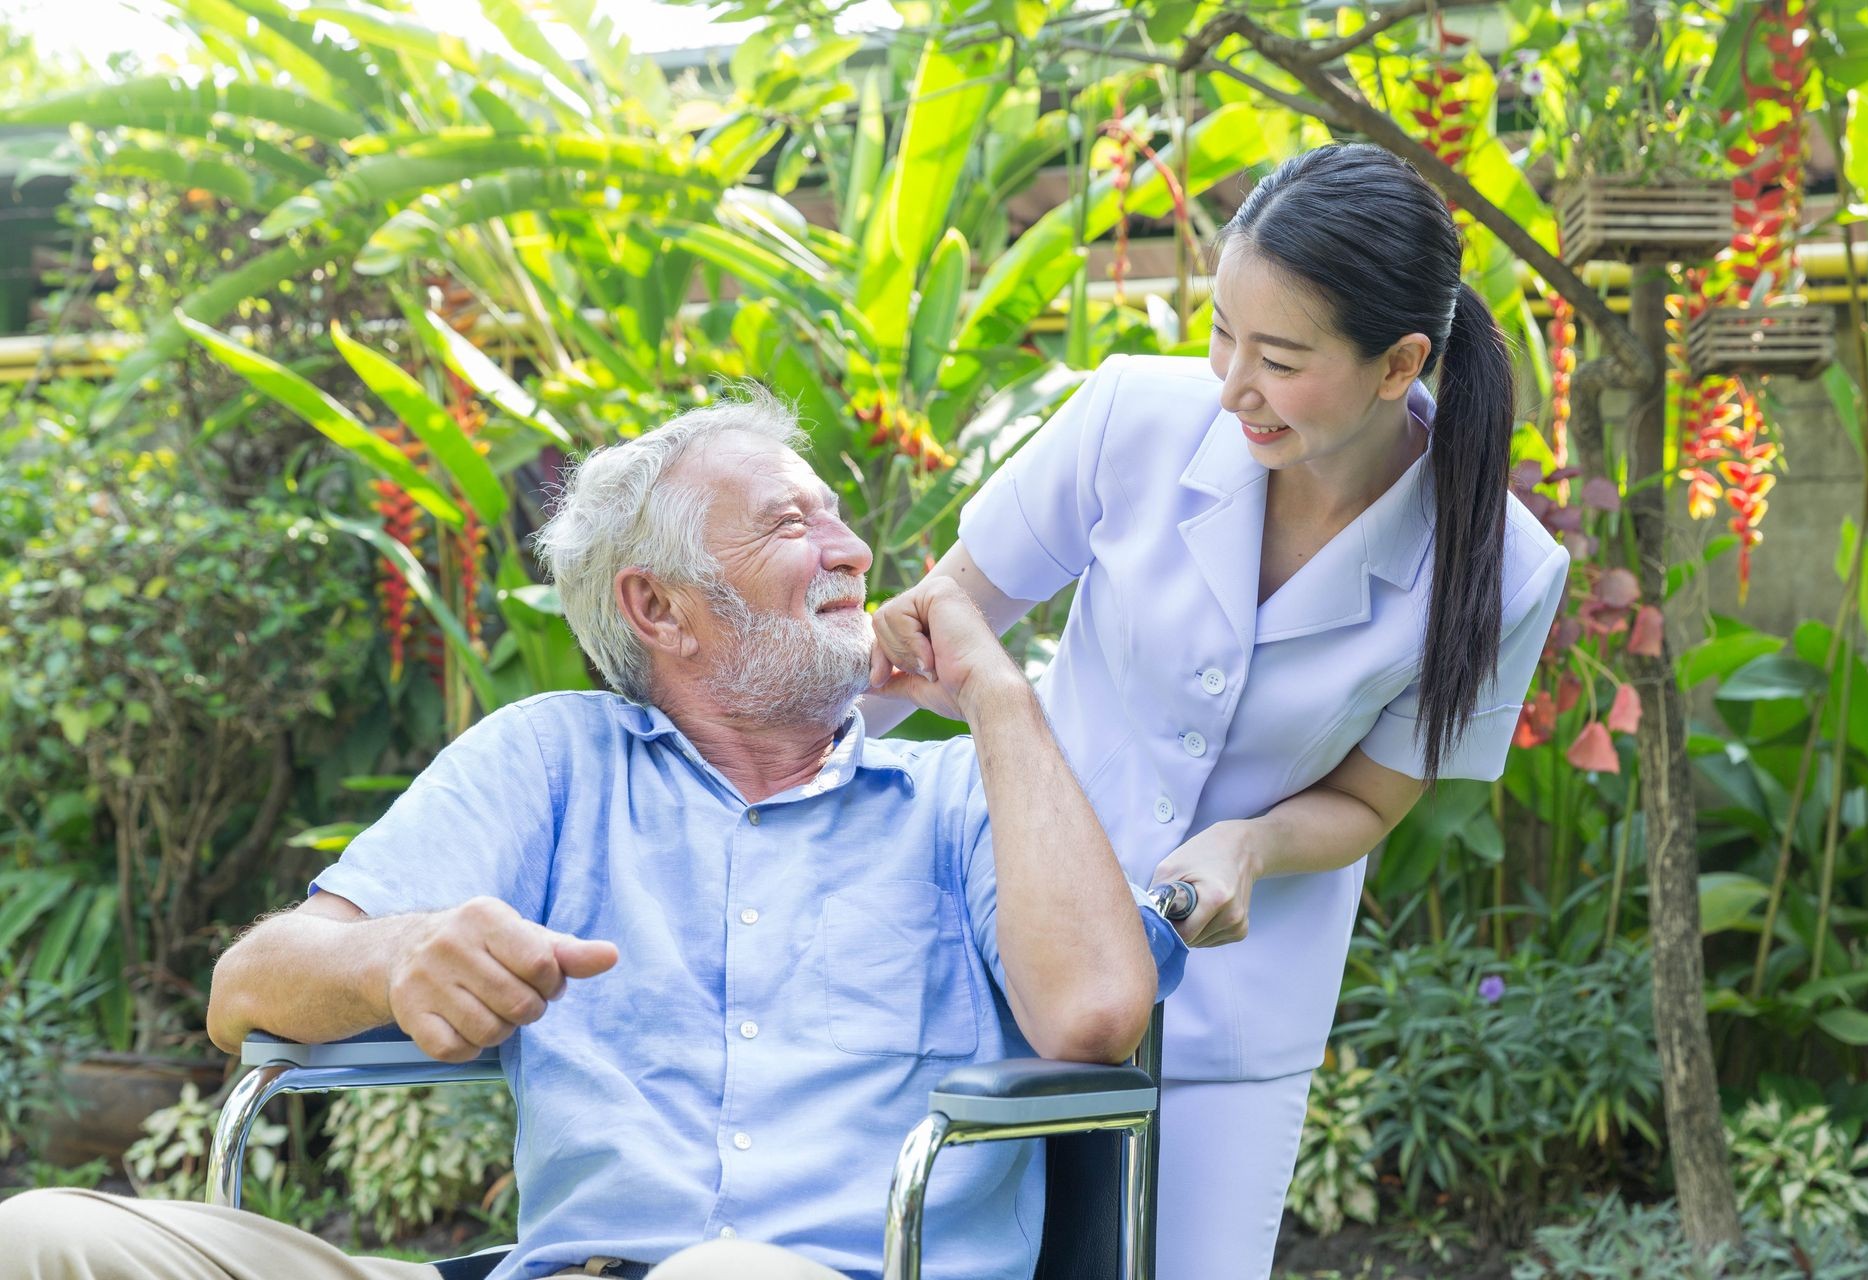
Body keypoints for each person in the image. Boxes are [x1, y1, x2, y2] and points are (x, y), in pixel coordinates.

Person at [1, 391, 1185, 1280]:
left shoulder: (961, 793)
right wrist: (394, 953)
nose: (854, 552)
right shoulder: (550, 761)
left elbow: (1094, 1014)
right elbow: (245, 989)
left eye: (840, 522)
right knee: (44, 1235)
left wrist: (998, 695)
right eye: (790, 524)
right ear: (655, 606)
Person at [866, 143, 1571, 1279]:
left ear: (1400, 363)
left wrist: (1251, 842)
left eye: (1280, 358)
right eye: (1221, 334)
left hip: (1233, 1018)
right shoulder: (1133, 416)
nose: (1233, 383)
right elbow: (945, 614)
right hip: (998, 945)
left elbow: (1372, 796)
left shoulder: (1503, 569)